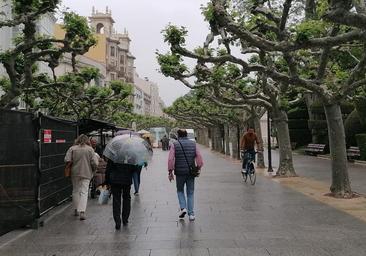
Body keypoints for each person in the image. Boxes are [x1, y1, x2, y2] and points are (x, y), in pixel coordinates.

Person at [168, 129, 203, 221]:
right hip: (191, 171)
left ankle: (183, 208)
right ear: (186, 135)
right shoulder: (193, 144)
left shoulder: (174, 144)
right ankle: (191, 214)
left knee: (180, 190)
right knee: (190, 192)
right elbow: (199, 157)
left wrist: (170, 171)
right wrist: (198, 167)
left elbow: (171, 159)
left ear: (178, 136)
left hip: (179, 172)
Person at [64, 134, 99, 220]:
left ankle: (76, 209)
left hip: (74, 173)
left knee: (75, 190)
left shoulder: (72, 148)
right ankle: (82, 211)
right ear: (87, 141)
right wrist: (94, 169)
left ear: (78, 140)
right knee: (84, 192)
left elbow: (67, 160)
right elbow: (95, 163)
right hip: (87, 173)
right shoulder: (90, 150)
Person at [105, 160, 138, 229]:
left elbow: (108, 168)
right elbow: (135, 168)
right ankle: (125, 219)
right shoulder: (130, 155)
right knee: (127, 198)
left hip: (115, 180)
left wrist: (107, 181)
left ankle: (117, 221)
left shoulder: (114, 154)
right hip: (126, 180)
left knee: (116, 200)